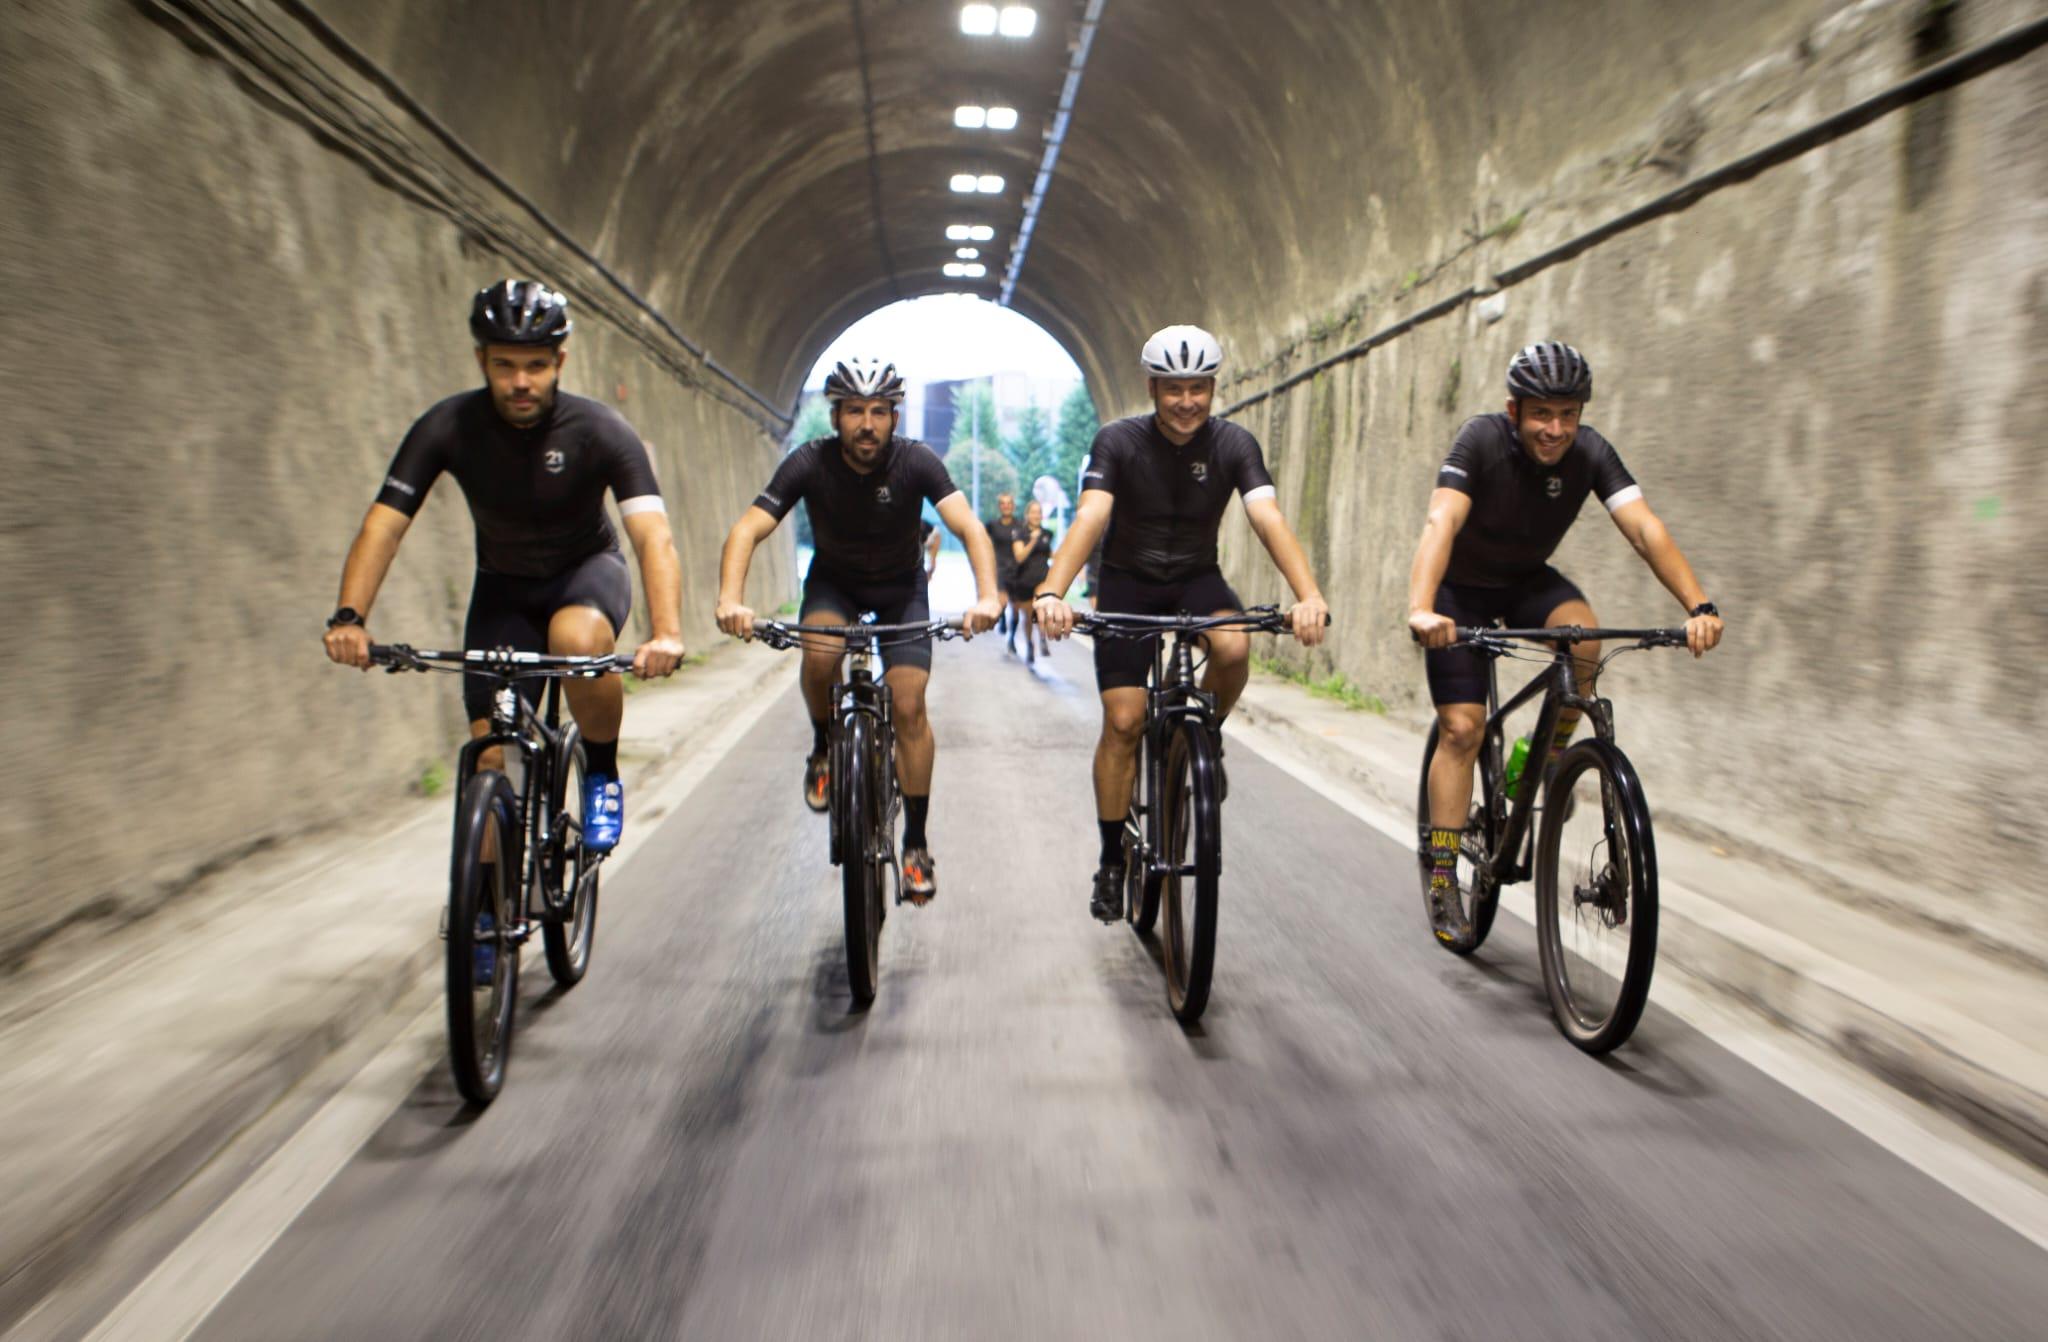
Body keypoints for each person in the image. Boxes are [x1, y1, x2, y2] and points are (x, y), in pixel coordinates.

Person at [322, 280, 686, 853]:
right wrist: (349, 616)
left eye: (536, 366)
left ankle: (599, 772)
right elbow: (385, 525)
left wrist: (666, 632)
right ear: (481, 361)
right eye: (505, 365)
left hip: (586, 572)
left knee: (575, 636)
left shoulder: (599, 430)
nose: (521, 382)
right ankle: (487, 930)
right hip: (503, 592)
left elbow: (652, 536)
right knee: (490, 763)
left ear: (559, 361)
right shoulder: (447, 427)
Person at [1406, 339, 1724, 942]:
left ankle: (1547, 765)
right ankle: (1444, 876)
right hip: (1459, 593)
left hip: (1526, 584)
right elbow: (1441, 521)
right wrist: (1422, 607)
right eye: (1541, 414)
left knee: (1584, 641)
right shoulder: (1480, 441)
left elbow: (1642, 527)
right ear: (1514, 411)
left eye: (1568, 415)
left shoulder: (1591, 452)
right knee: (1463, 729)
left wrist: (1698, 605)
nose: (1555, 429)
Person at [1036, 325, 1330, 922]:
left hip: (1196, 578)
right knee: (1123, 722)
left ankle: (1206, 735)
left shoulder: (1234, 444)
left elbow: (1266, 516)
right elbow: (1092, 516)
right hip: (1128, 582)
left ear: (1213, 388)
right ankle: (1112, 859)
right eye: (1175, 389)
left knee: (1232, 647)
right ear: (1153, 388)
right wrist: (1052, 589)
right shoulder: (1118, 441)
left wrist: (1309, 594)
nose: (1188, 401)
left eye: (1199, 387)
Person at [715, 356, 1001, 904]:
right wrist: (730, 599)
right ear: (835, 416)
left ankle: (915, 845)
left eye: (877, 411)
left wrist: (987, 595)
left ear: (894, 416)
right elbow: (748, 528)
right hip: (835, 586)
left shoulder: (916, 461)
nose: (866, 423)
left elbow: (967, 526)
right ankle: (824, 747)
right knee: (819, 653)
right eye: (853, 411)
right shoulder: (808, 462)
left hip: (901, 592)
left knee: (910, 704)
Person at [1008, 500, 1053, 664]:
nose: (1037, 515)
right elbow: (1019, 557)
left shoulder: (1047, 533)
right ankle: (1029, 644)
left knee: (1041, 612)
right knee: (1028, 617)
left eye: (1039, 512)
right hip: (1024, 581)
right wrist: (1033, 540)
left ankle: (1042, 639)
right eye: (1033, 512)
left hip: (1042, 580)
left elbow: (1049, 555)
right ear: (1027, 515)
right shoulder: (1020, 533)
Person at [985, 491, 1022, 651]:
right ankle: (1001, 618)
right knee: (1002, 601)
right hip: (999, 568)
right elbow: (984, 544)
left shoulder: (1021, 525)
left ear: (1013, 506)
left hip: (1017, 571)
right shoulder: (992, 525)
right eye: (1003, 503)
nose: (1006, 506)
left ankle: (1012, 638)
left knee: (1015, 609)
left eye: (1009, 503)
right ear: (999, 507)